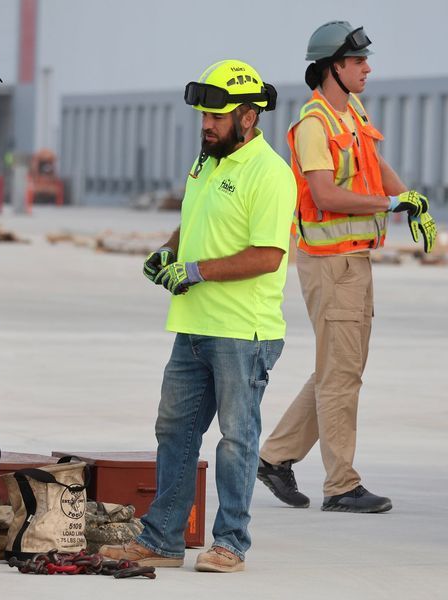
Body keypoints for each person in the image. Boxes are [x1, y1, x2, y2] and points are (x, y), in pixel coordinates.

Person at [100, 60, 296, 573]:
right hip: (192, 326)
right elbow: (192, 224)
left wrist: (196, 271)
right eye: (203, 115)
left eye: (217, 115)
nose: (206, 124)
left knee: (237, 439)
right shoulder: (205, 161)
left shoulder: (270, 173)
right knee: (174, 431)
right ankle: (162, 538)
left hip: (242, 333)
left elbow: (268, 255)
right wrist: (166, 252)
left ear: (249, 117)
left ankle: (231, 543)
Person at [257, 22, 436, 514]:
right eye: (358, 61)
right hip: (329, 265)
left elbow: (376, 164)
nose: (367, 68)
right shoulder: (313, 125)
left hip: (354, 261)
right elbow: (325, 194)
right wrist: (389, 204)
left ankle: (275, 458)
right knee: (341, 376)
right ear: (332, 67)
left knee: (340, 369)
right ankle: (341, 485)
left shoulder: (351, 112)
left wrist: (411, 198)